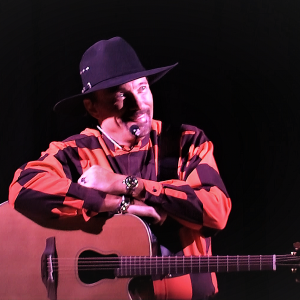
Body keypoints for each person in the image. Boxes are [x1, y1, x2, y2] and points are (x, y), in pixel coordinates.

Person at [8, 36, 232, 300]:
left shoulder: (187, 141)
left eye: (142, 88)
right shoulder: (74, 152)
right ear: (92, 107)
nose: (139, 104)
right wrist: (112, 204)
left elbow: (216, 210)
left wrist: (125, 184)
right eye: (120, 95)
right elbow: (23, 186)